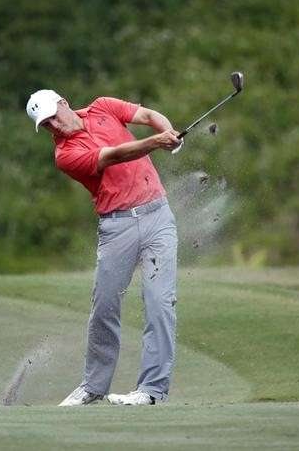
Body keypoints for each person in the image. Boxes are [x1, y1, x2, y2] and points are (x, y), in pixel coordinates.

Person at [26, 88, 182, 406]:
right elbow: (113, 155)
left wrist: (167, 132)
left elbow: (149, 116)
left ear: (64, 104)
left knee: (159, 303)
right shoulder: (65, 156)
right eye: (46, 126)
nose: (54, 126)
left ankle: (152, 390)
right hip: (117, 227)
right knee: (105, 307)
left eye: (54, 117)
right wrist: (156, 142)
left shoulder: (103, 107)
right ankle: (94, 387)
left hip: (157, 217)